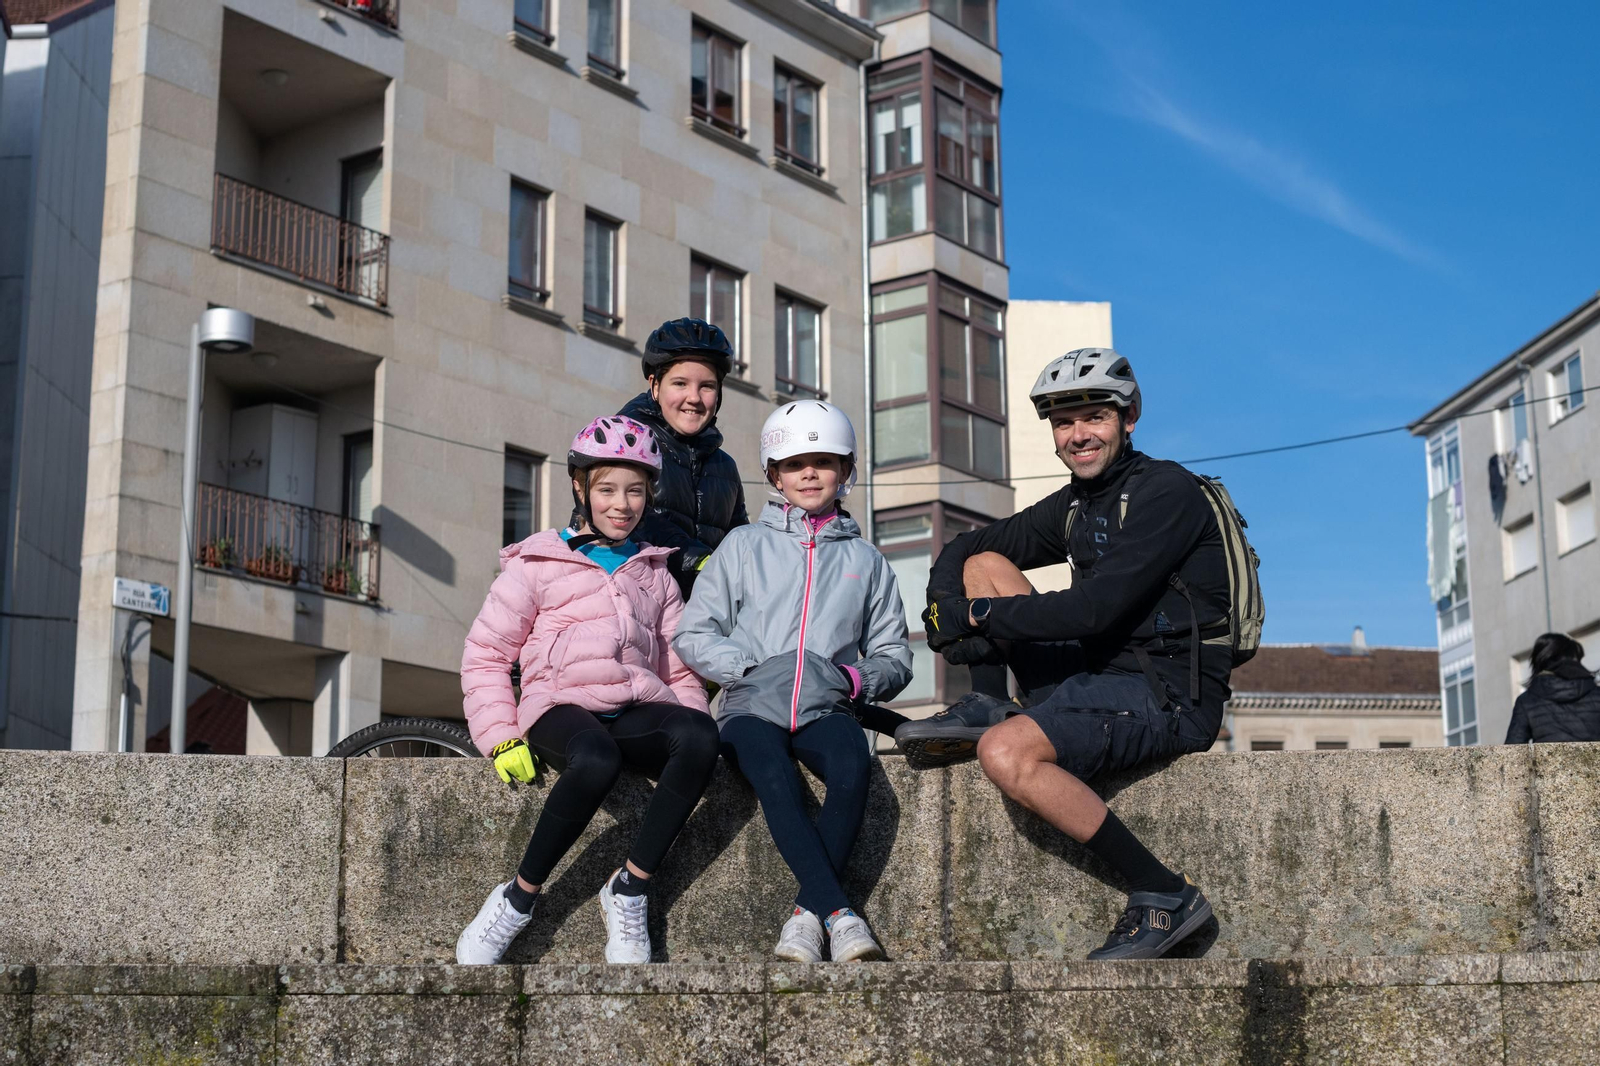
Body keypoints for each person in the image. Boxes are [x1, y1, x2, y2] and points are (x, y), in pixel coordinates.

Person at [894, 348, 1237, 961]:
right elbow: (972, 544)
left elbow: (1093, 611)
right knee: (987, 565)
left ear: (1129, 417)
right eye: (1063, 422)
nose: (1078, 435)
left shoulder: (1167, 493)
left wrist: (974, 616)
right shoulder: (1077, 503)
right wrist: (950, 606)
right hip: (1097, 678)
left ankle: (1163, 894)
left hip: (1165, 696)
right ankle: (989, 702)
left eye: (1094, 418)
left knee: (1006, 754)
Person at [456, 416, 720, 966]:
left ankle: (629, 889)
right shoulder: (537, 564)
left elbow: (680, 671)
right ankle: (517, 899)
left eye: (635, 491)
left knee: (699, 734)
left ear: (650, 495)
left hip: (633, 705)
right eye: (606, 490)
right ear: (580, 488)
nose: (621, 504)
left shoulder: (657, 573)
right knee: (595, 759)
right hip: (559, 705)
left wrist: (688, 745)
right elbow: (486, 654)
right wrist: (501, 736)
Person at [673, 400, 912, 963]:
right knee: (773, 773)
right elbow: (694, 633)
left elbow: (895, 654)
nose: (810, 473)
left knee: (854, 765)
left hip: (826, 708)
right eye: (794, 463)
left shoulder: (867, 561)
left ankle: (806, 918)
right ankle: (842, 915)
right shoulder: (742, 545)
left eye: (824, 462)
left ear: (845, 471)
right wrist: (750, 670)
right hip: (749, 707)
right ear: (774, 474)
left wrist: (852, 680)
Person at [620, 318, 748, 597]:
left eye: (707, 386)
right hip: (636, 611)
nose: (694, 397)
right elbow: (631, 520)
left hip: (703, 622)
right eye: (680, 383)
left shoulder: (725, 467)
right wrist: (700, 561)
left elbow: (741, 543)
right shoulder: (623, 444)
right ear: (654, 386)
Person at [1505, 633, 1600, 743]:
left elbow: (1513, 750)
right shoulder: (1597, 694)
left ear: (1539, 661)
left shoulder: (1526, 701)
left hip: (1547, 760)